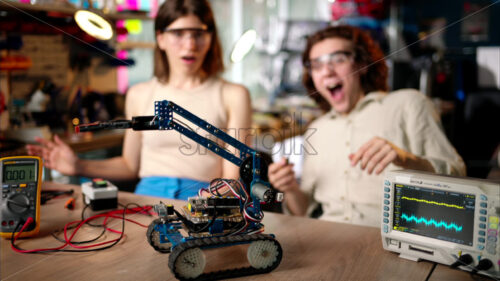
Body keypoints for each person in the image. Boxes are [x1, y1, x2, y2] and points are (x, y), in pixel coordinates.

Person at [26, 0, 252, 200]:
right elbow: (129, 165)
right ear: (160, 38)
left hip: (204, 200)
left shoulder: (233, 95)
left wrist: (198, 208)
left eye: (198, 33)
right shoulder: (139, 94)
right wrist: (77, 165)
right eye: (178, 33)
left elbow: (234, 181)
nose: (190, 44)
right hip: (145, 202)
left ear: (211, 38)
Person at [268, 25, 466, 227]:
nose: (327, 71)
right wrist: (290, 187)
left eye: (338, 59)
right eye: (316, 65)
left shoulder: (408, 103)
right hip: (327, 238)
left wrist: (409, 160)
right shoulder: (316, 130)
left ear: (361, 64)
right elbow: (303, 212)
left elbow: (458, 174)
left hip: (392, 240)